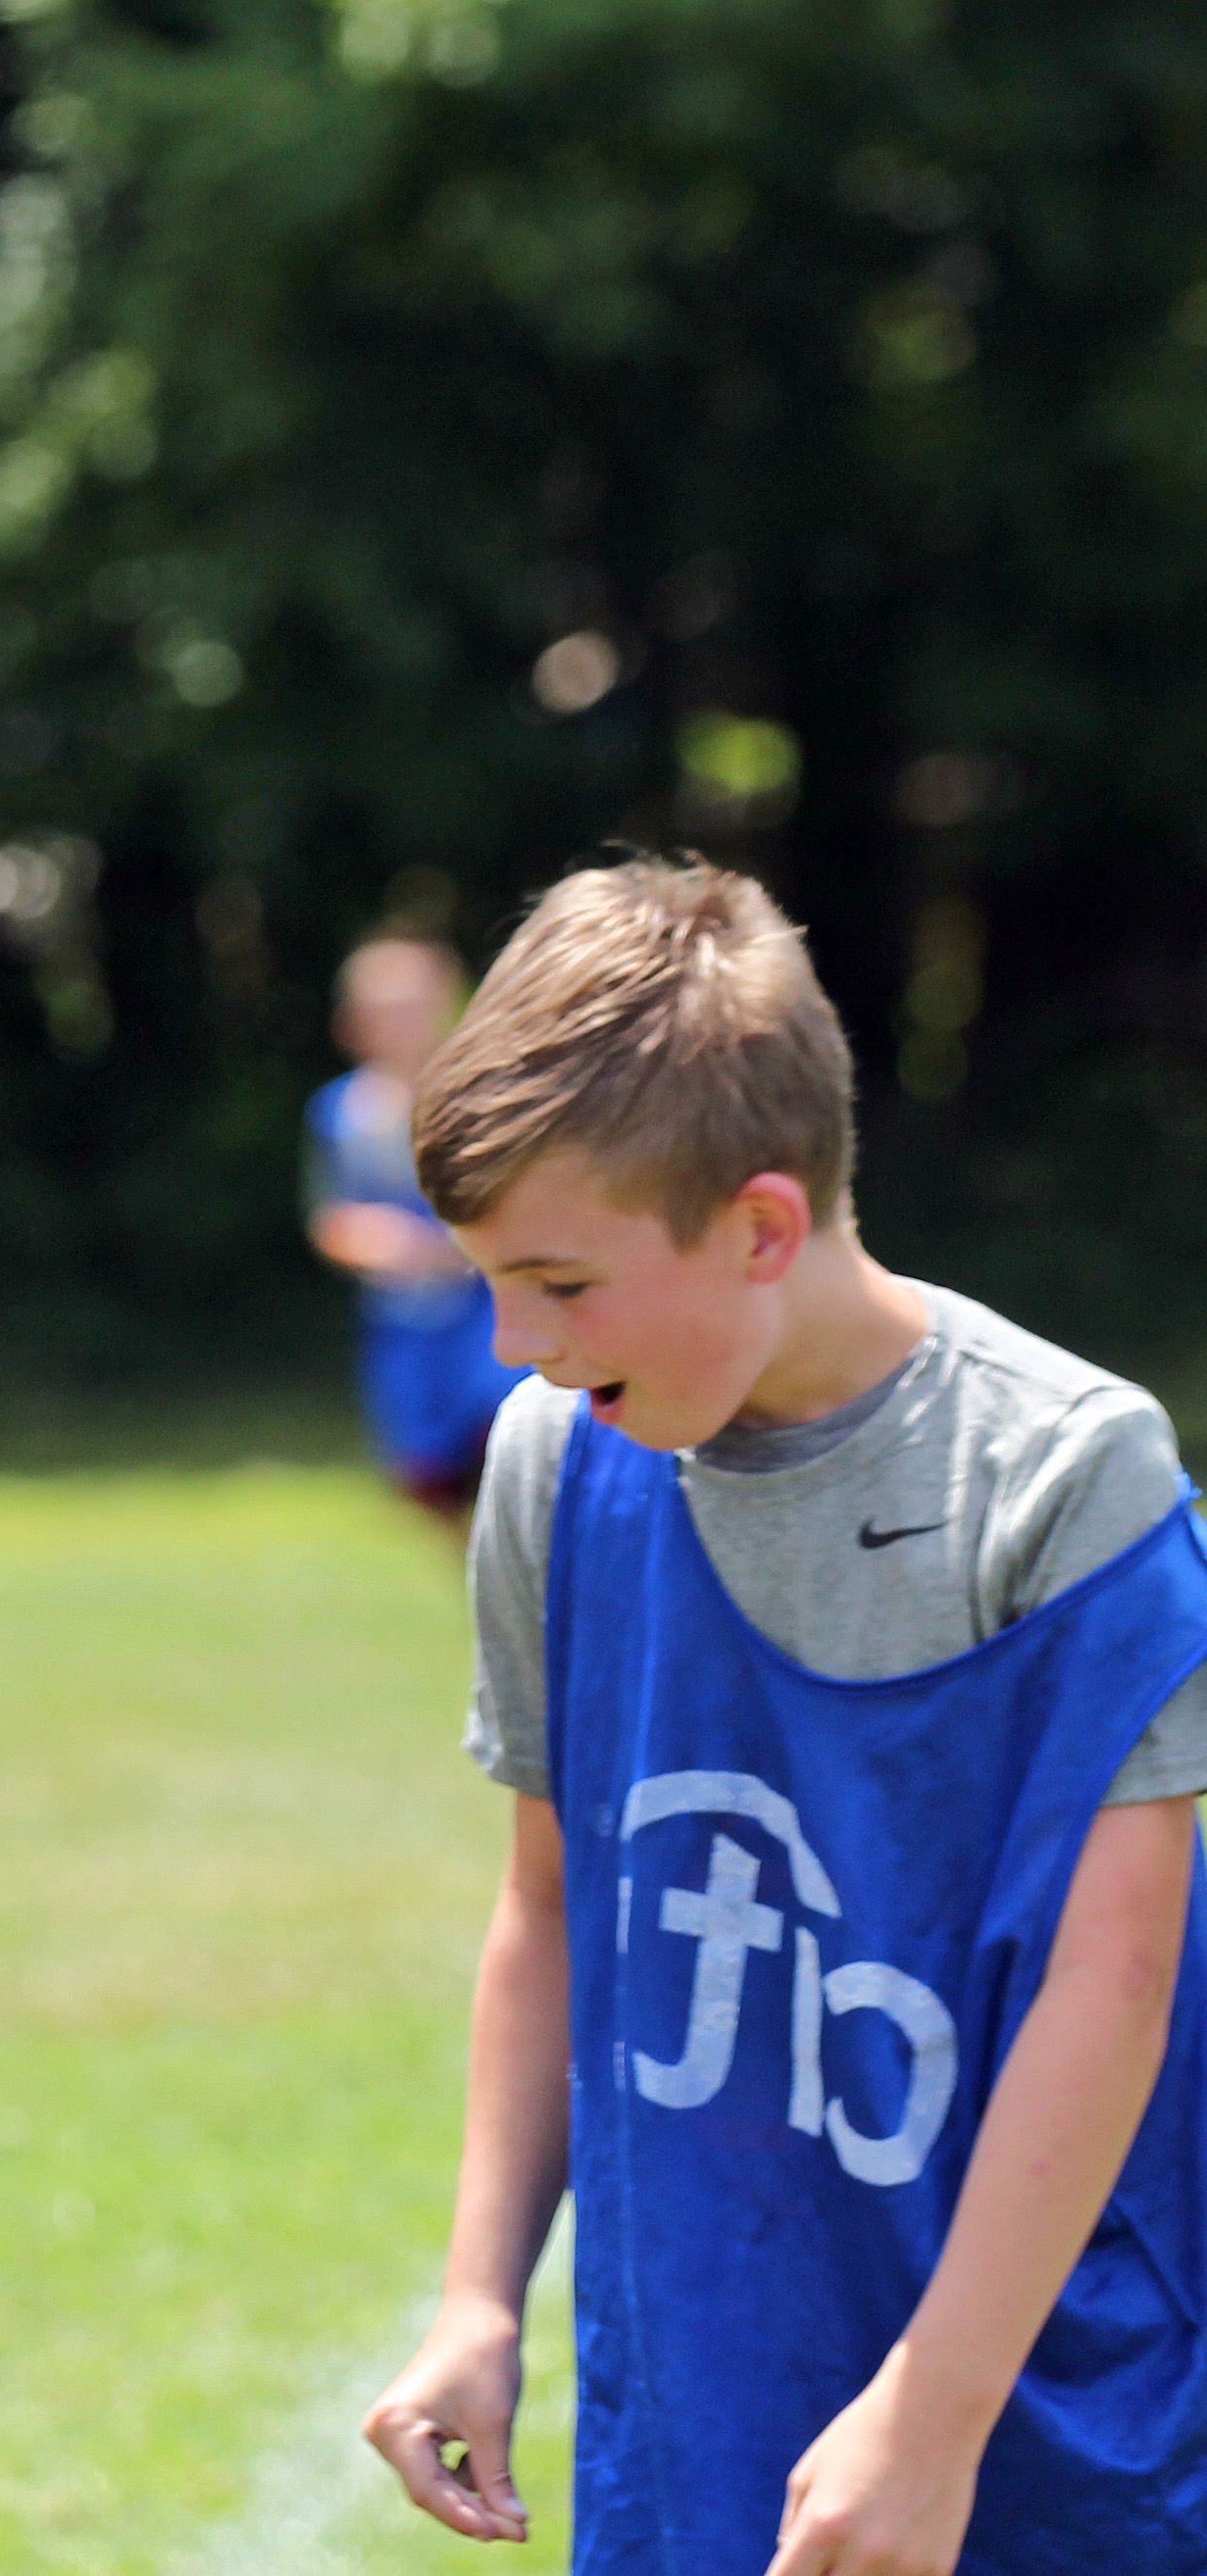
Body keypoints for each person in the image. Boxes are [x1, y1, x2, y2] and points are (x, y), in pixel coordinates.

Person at [360, 859, 1207, 2573]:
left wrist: (933, 2410)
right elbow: (546, 1904)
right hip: (706, 2380)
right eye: (487, 1287)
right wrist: (475, 2290)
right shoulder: (556, 1453)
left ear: (756, 1222)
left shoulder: (1063, 1469)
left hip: (1038, 2384)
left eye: (561, 1283)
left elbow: (1105, 1983)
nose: (514, 1345)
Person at [306, 929, 525, 1531]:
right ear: (352, 1023)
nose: (402, 1026)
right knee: (428, 1480)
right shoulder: (342, 1114)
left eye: (416, 1008)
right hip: (402, 1327)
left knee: (510, 1442)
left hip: (484, 1313)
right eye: (385, 1012)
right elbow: (331, 1219)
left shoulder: (484, 1101)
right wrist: (377, 1242)